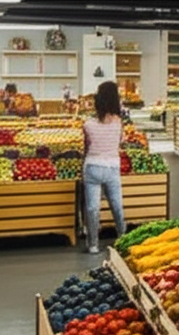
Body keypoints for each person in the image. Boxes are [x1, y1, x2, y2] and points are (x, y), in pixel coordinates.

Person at [82, 82, 126, 254]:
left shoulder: (88, 124)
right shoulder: (118, 123)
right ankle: (123, 238)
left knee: (92, 208)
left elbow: (86, 147)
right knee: (117, 205)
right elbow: (120, 144)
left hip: (92, 167)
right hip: (112, 168)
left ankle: (93, 244)